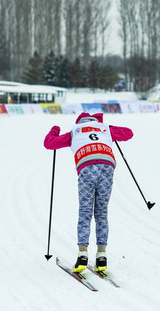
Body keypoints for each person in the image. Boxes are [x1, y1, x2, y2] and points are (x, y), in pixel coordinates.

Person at [43, 112, 133, 273]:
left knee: (85, 211)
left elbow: (49, 144)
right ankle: (101, 256)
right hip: (107, 167)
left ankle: (82, 254)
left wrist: (54, 130)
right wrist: (109, 128)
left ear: (79, 122)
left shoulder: (75, 131)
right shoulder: (104, 128)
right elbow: (128, 133)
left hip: (86, 168)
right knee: (101, 212)